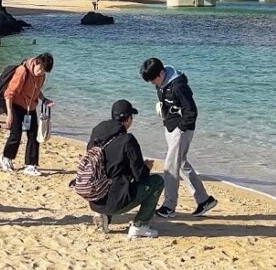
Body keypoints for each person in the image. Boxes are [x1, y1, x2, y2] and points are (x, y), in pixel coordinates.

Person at [139, 58, 216, 218]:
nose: (153, 83)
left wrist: (180, 129)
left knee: (169, 167)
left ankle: (169, 206)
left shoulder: (179, 86)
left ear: (162, 73)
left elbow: (192, 111)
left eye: (154, 79)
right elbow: (165, 99)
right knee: (180, 164)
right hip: (170, 127)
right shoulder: (160, 83)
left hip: (181, 131)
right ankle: (204, 200)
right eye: (150, 81)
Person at [87, 100, 165, 239]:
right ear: (128, 119)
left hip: (95, 197)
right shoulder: (127, 140)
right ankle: (140, 225)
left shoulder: (97, 131)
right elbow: (141, 176)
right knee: (157, 181)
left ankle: (104, 215)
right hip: (117, 201)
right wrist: (146, 167)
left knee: (111, 176)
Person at [0, 52, 56, 176]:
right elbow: (9, 94)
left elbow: (37, 90)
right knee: (16, 134)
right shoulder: (22, 71)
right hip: (15, 105)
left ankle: (31, 165)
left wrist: (44, 100)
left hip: (30, 107)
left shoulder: (41, 75)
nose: (41, 73)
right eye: (40, 69)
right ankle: (6, 158)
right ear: (36, 62)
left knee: (34, 135)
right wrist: (9, 114)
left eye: (44, 72)